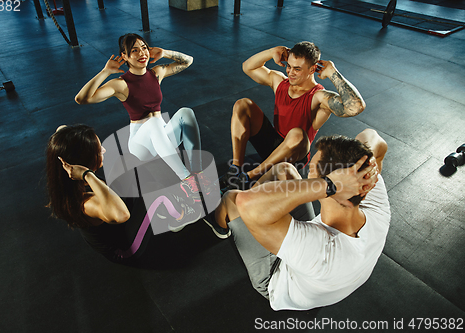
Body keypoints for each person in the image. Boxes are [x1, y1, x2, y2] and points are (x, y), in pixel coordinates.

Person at [204, 129, 389, 310]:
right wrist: (362, 161)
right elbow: (371, 135)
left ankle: (218, 225)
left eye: (312, 174)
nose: (308, 174)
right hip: (317, 267)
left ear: (327, 187)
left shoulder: (321, 252)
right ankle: (256, 213)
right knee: (284, 170)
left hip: (278, 277)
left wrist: (331, 183)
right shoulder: (374, 202)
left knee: (232, 199)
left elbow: (245, 203)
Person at [220, 41, 366, 191]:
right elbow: (247, 67)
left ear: (312, 69)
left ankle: (249, 176)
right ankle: (235, 169)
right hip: (272, 145)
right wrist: (271, 51)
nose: (290, 72)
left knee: (297, 134)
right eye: (289, 66)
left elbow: (355, 107)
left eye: (297, 69)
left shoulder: (318, 97)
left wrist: (332, 73)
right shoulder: (280, 81)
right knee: (242, 104)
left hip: (294, 156)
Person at [75, 33, 204, 201]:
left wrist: (163, 52)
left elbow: (188, 61)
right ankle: (186, 180)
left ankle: (198, 175)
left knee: (186, 112)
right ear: (125, 56)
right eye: (135, 50)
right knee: (152, 124)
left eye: (144, 48)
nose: (142, 54)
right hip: (141, 145)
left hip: (162, 138)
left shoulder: (156, 73)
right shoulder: (121, 84)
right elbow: (81, 99)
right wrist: (105, 72)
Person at [46, 124, 200, 264]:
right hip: (124, 249)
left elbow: (61, 130)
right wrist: (88, 174)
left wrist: (67, 135)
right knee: (155, 192)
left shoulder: (68, 182)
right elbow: (122, 215)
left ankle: (163, 203)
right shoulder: (87, 203)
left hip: (113, 222)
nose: (104, 150)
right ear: (84, 163)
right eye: (99, 150)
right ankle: (181, 215)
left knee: (126, 160)